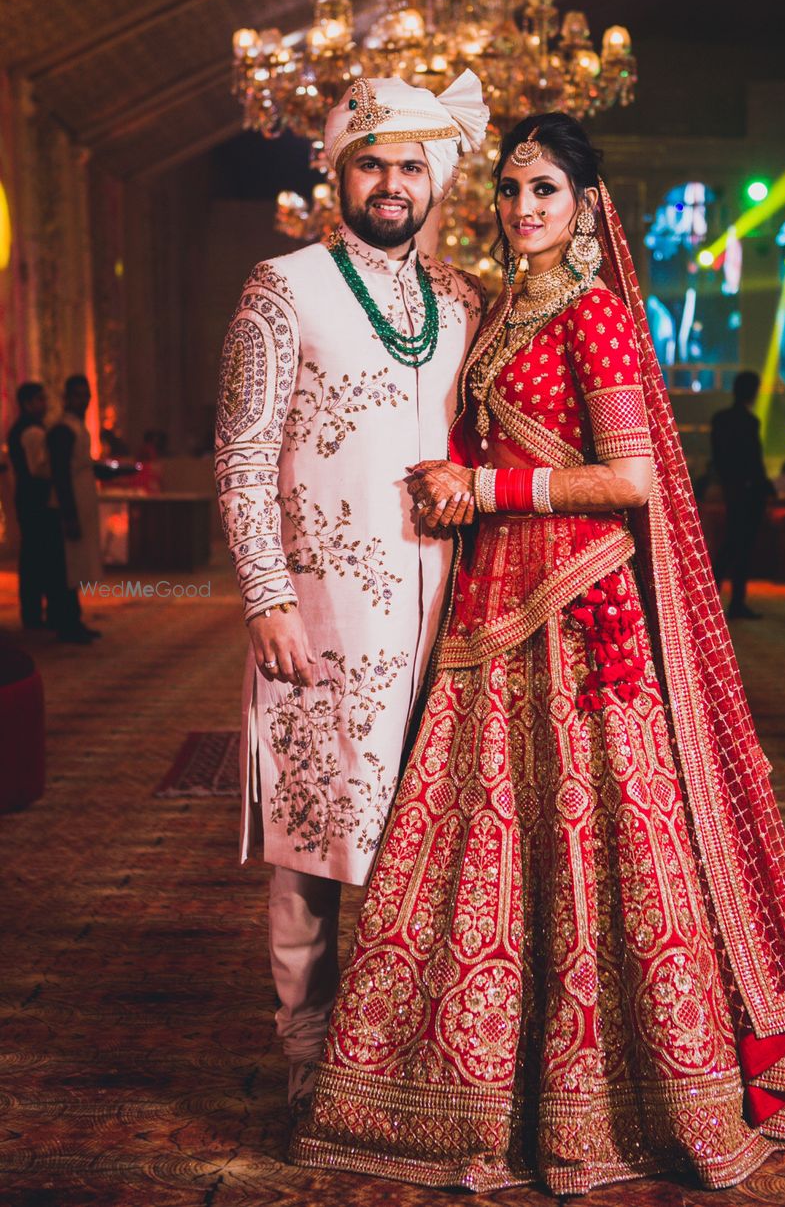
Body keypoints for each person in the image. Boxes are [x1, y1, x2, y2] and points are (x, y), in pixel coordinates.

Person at [291, 113, 785, 1193]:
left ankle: (611, 1096)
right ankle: (460, 1090)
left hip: (579, 611)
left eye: (547, 192)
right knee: (483, 844)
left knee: (585, 846)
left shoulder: (597, 316)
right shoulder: (497, 313)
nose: (524, 208)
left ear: (585, 208)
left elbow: (632, 479)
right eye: (514, 188)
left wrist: (488, 490)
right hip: (490, 606)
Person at [214, 71, 490, 1114]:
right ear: (339, 171)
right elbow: (238, 454)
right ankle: (305, 1052)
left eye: (410, 164)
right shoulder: (281, 286)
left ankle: (405, 1048)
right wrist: (265, 597)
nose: (390, 181)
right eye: (370, 161)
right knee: (315, 839)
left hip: (446, 619)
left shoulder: (463, 300)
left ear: (436, 181)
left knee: (428, 837)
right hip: (322, 616)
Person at [710, 369, 771, 619]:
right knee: (742, 547)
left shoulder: (720, 419)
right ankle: (736, 602)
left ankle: (710, 596)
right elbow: (754, 460)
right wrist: (762, 485)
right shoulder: (749, 422)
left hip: (732, 488)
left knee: (731, 544)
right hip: (749, 491)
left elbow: (719, 457)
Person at [47, 374, 103, 642]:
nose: (83, 400)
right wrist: (69, 515)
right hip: (68, 503)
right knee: (67, 567)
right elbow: (60, 473)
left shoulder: (77, 426)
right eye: (78, 395)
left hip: (81, 499)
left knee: (77, 566)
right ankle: (65, 623)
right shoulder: (62, 430)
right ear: (67, 397)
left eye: (86, 395)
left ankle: (73, 619)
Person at [6, 382, 58, 631]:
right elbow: (38, 469)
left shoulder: (23, 429)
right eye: (40, 399)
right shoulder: (32, 432)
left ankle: (33, 611)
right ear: (27, 403)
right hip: (36, 499)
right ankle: (34, 612)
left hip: (28, 498)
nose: (44, 404)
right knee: (38, 556)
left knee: (32, 556)